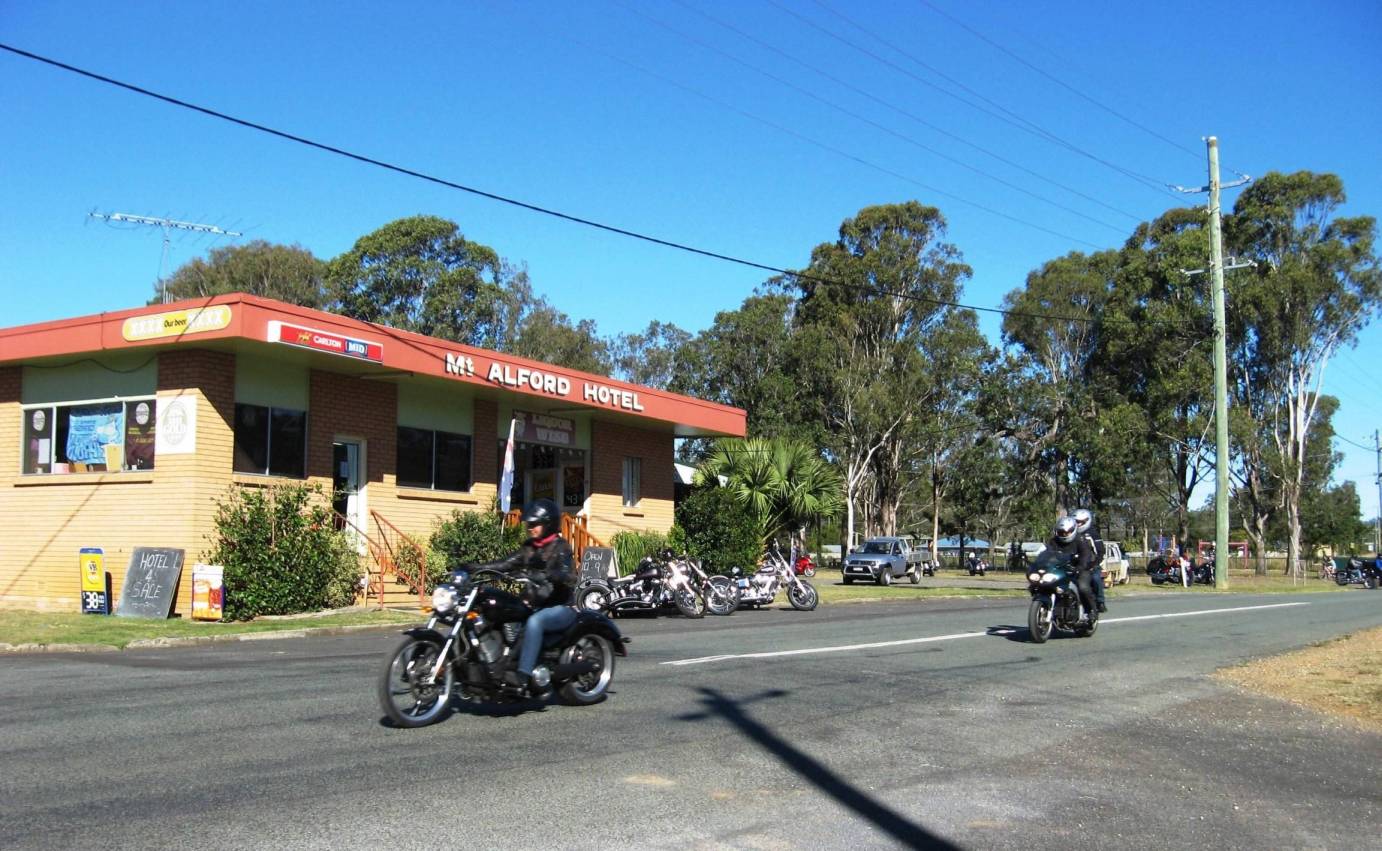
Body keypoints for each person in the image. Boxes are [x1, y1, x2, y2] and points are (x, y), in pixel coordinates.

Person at [474, 498, 576, 693]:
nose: (531, 528)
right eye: (529, 524)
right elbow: (506, 563)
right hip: (533, 603)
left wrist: (554, 575)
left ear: (548, 524)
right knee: (495, 612)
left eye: (535, 524)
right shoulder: (529, 547)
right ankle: (496, 667)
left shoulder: (561, 547)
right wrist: (477, 568)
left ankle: (523, 675)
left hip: (560, 606)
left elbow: (570, 577)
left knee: (534, 622)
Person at [1045, 516, 1098, 619]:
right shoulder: (1053, 541)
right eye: (1061, 532)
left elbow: (1086, 555)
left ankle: (1091, 610)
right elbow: (1046, 553)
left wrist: (1080, 567)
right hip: (1060, 569)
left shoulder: (1080, 540)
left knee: (1082, 587)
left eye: (1067, 532)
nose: (1064, 534)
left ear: (1073, 530)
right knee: (1044, 585)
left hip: (1079, 569)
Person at [1072, 508, 1107, 612]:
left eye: (1080, 522)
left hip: (1090, 565)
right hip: (1073, 564)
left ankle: (1100, 601)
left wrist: (1093, 564)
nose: (1078, 524)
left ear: (1087, 521)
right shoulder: (1070, 532)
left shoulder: (1093, 533)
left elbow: (1100, 551)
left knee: (1096, 579)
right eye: (1076, 522)